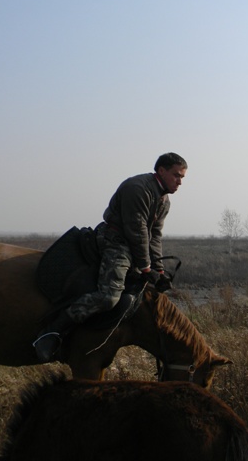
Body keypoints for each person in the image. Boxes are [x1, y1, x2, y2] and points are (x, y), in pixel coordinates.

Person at [34, 152, 188, 362]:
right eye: (176, 175)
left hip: (133, 245)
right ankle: (52, 331)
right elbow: (137, 231)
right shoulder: (138, 188)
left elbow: (155, 235)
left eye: (182, 177)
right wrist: (145, 268)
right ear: (161, 170)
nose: (179, 182)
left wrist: (159, 269)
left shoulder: (164, 200)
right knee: (109, 297)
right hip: (115, 242)